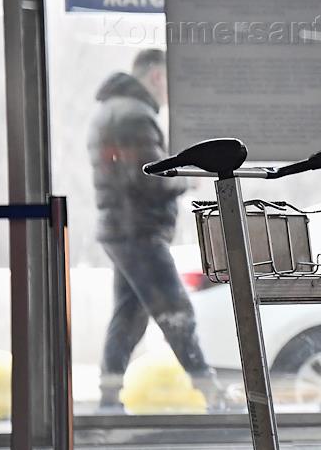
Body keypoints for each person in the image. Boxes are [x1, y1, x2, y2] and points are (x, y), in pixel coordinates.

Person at [87, 48, 222, 410]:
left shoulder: (112, 110)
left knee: (129, 316)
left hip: (123, 228)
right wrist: (188, 178)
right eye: (169, 83)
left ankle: (109, 400)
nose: (169, 94)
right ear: (157, 76)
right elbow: (150, 177)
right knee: (176, 312)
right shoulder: (134, 115)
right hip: (139, 231)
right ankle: (212, 394)